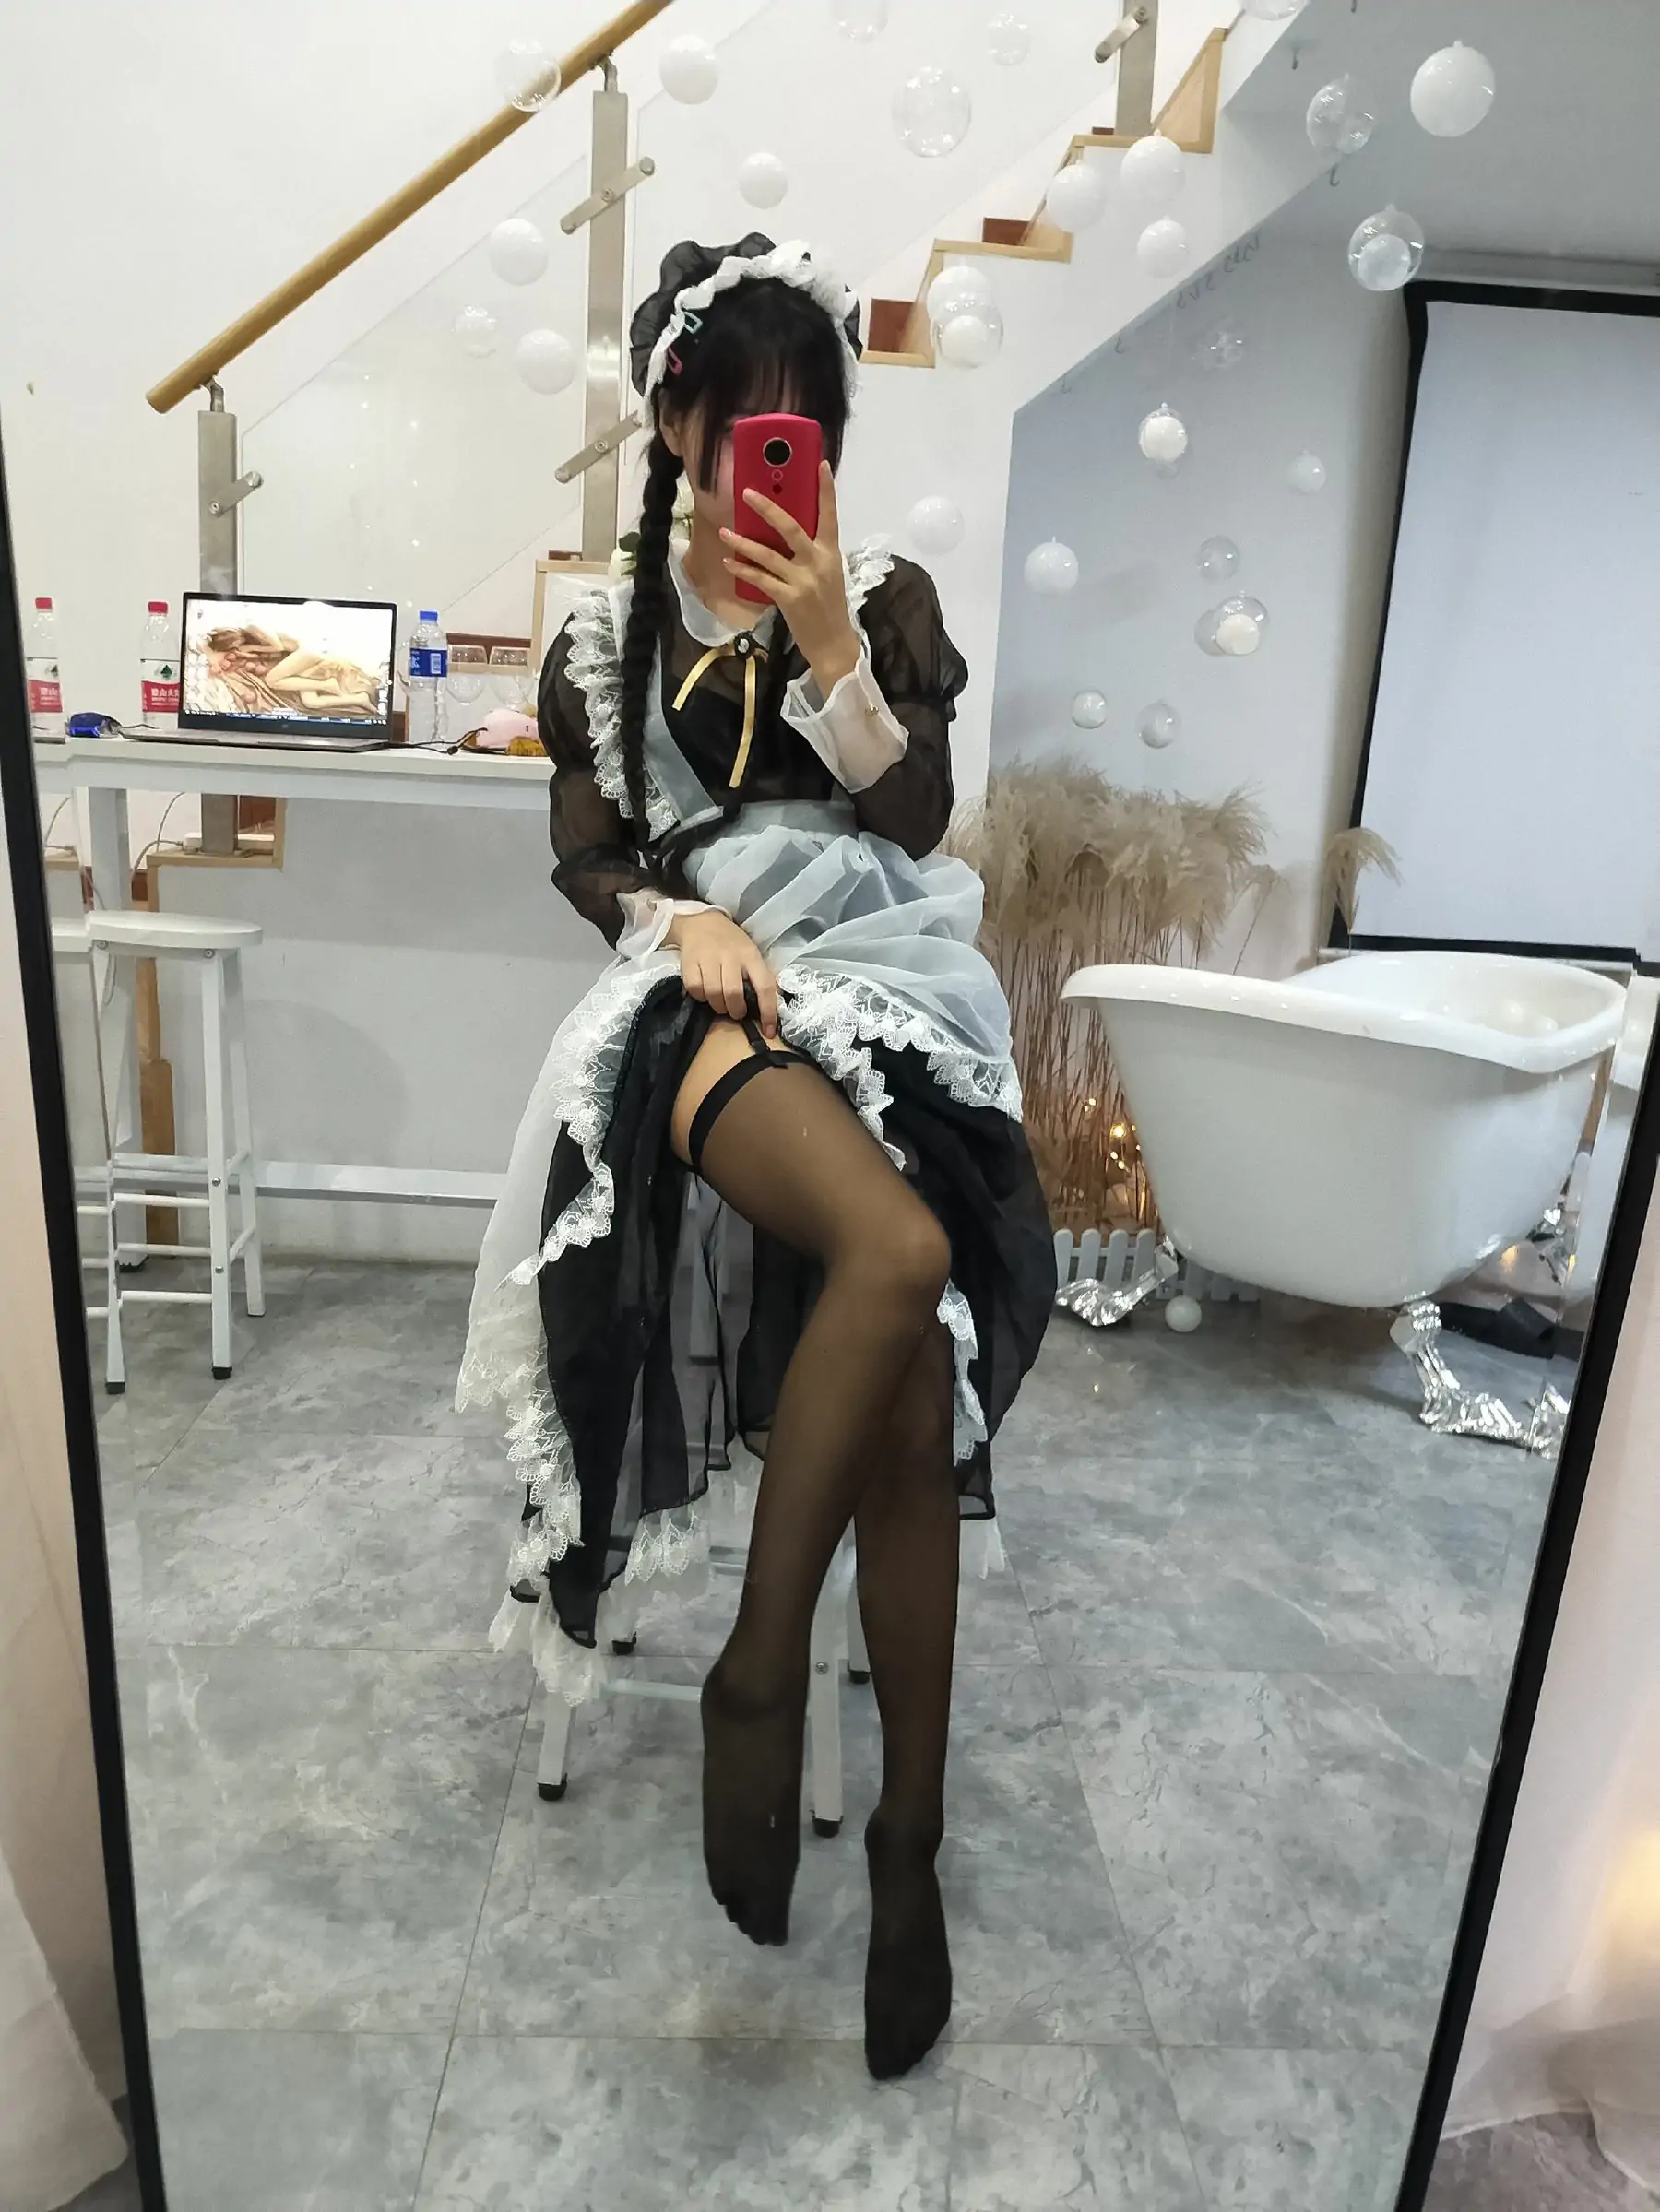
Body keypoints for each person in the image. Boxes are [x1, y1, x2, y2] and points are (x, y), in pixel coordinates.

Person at [457, 234, 1052, 2080]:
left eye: (806, 436)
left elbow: (915, 815)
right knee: (901, 1252)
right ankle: (758, 1664)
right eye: (743, 435)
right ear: (675, 427)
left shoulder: (878, 599)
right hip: (708, 998)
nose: (772, 470)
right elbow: (589, 856)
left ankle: (906, 1847)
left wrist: (832, 651)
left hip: (893, 977)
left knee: (913, 1390)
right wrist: (676, 918)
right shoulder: (601, 635)